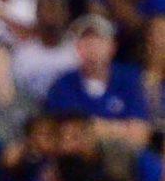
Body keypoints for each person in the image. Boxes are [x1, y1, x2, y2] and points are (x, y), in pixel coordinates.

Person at [45, 14, 150, 150]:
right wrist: (119, 128)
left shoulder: (129, 80)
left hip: (122, 159)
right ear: (77, 47)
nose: (93, 48)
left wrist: (92, 127)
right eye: (86, 42)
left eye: (99, 41)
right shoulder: (63, 84)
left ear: (112, 47)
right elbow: (65, 138)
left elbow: (140, 135)